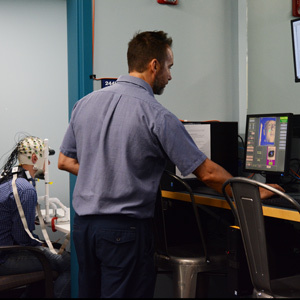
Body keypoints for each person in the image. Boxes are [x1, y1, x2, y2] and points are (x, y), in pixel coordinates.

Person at [58, 30, 283, 298]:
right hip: (125, 233)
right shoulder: (156, 115)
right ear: (154, 65)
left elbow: (64, 161)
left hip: (85, 229)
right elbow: (208, 174)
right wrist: (254, 191)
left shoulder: (84, 104)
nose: (170, 76)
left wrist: (105, 172)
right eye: (169, 67)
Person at [0, 135, 71, 298]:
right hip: (4, 259)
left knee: (49, 251)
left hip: (4, 250)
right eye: (46, 159)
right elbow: (23, 238)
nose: (49, 164)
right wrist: (44, 245)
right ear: (34, 158)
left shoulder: (9, 179)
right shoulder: (25, 189)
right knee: (68, 262)